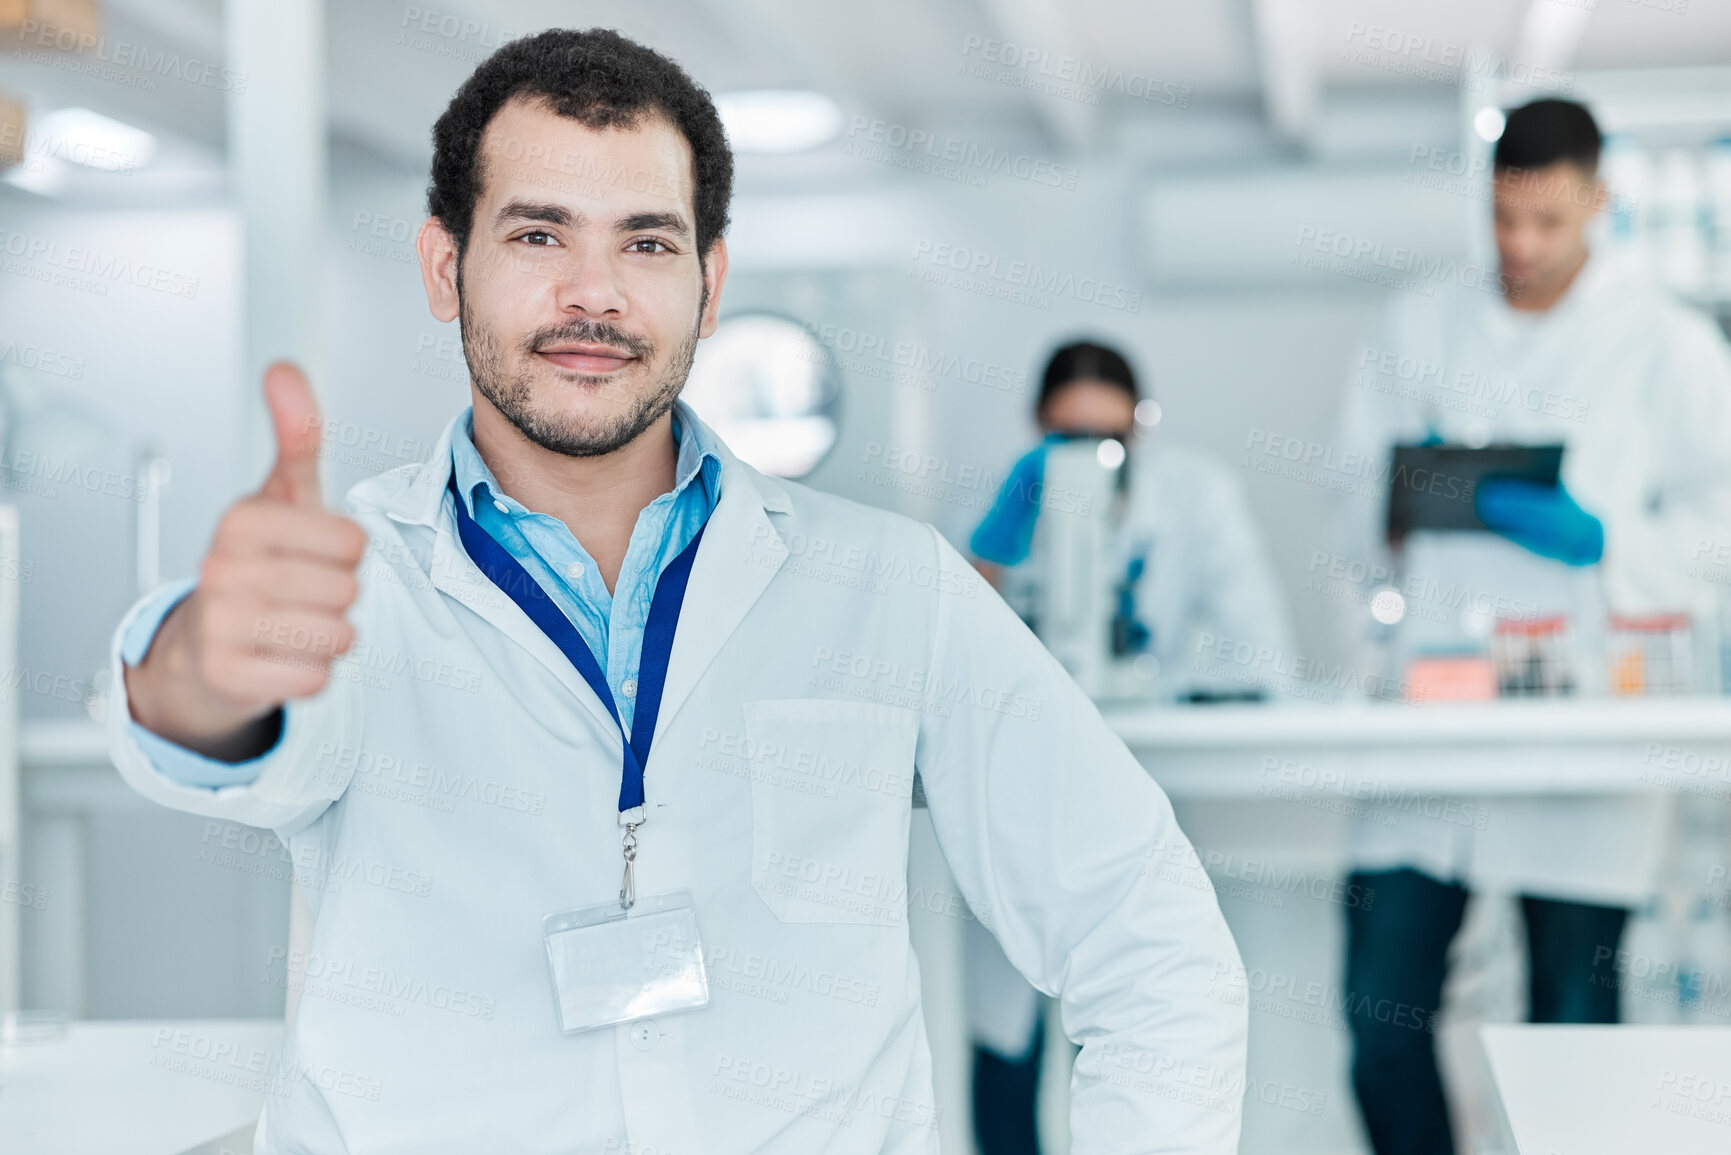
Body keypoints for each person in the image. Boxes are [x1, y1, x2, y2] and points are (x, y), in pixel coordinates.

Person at [108, 28, 1247, 1155]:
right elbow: (214, 719)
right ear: (446, 267)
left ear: (709, 285)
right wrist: (207, 662)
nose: (593, 294)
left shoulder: (888, 584)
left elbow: (1146, 935)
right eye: (540, 232)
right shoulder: (362, 578)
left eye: (647, 244)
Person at [1329, 98, 1731, 1155]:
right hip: (1435, 720)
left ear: (1599, 201)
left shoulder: (1670, 348)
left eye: (1548, 222)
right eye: (1505, 218)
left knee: (1575, 1033)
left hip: (1585, 726)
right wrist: (1406, 496)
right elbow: (1346, 502)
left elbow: (1720, 528)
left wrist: (1604, 543)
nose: (1521, 245)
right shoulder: (1419, 324)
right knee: (1379, 1017)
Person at [964, 341, 1294, 1155]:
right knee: (1004, 1038)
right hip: (1014, 798)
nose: (1085, 458)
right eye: (1065, 438)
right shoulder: (997, 497)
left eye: (1105, 440)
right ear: (1037, 427)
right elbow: (948, 636)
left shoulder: (1194, 495)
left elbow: (1264, 649)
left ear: (1141, 427)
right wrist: (1000, 544)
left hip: (1139, 786)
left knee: (1127, 1033)